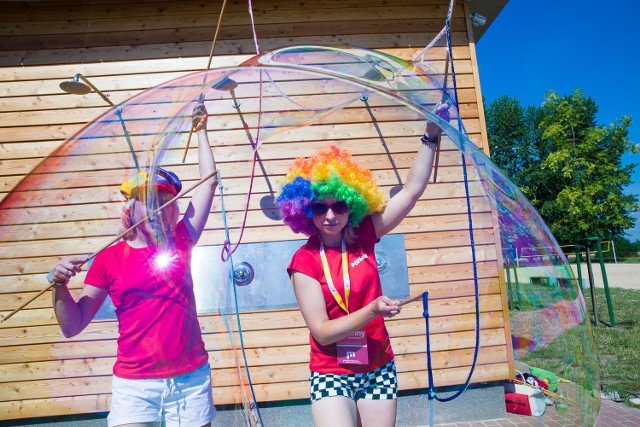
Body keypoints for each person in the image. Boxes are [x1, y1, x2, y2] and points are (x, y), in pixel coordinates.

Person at [276, 102, 450, 427]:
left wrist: (430, 135)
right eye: (319, 207)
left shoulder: (364, 234)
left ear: (352, 203)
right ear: (304, 211)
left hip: (378, 365)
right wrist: (373, 310)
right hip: (331, 371)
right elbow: (323, 333)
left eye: (339, 205)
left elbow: (412, 191)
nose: (330, 215)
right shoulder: (304, 260)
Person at [49, 99, 218, 427]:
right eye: (148, 200)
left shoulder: (181, 240)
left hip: (190, 381)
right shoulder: (108, 259)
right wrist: (58, 285)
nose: (158, 208)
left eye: (166, 201)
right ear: (130, 210)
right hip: (135, 385)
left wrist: (200, 132)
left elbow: (208, 182)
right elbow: (72, 325)